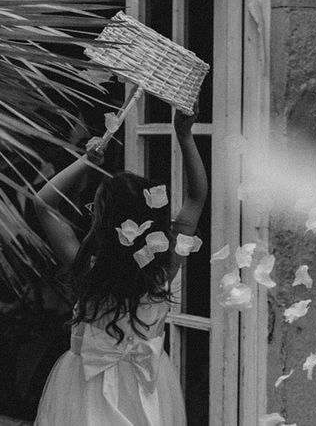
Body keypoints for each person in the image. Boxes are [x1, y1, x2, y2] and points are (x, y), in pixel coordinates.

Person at [33, 108, 209, 426]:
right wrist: (184, 136)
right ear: (153, 222)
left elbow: (43, 203)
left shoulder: (87, 267)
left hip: (84, 389)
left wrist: (85, 162)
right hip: (148, 389)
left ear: (102, 222)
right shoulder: (163, 267)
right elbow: (197, 198)